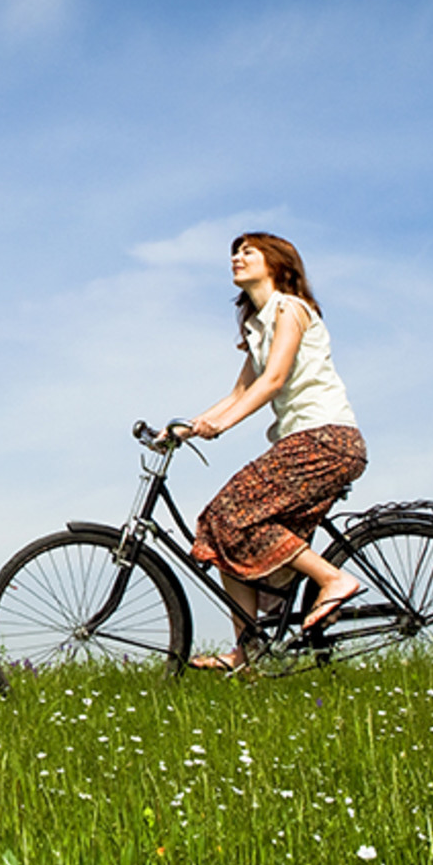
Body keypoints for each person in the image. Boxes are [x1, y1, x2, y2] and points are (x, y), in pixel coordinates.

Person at [180, 232, 367, 670]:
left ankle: (333, 578)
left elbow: (274, 380)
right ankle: (248, 652)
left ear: (277, 262)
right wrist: (186, 428)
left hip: (326, 440)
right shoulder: (258, 325)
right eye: (234, 252)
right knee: (220, 528)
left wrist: (222, 426)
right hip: (302, 443)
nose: (236, 258)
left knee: (229, 511)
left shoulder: (291, 309)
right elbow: (240, 390)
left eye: (248, 251)